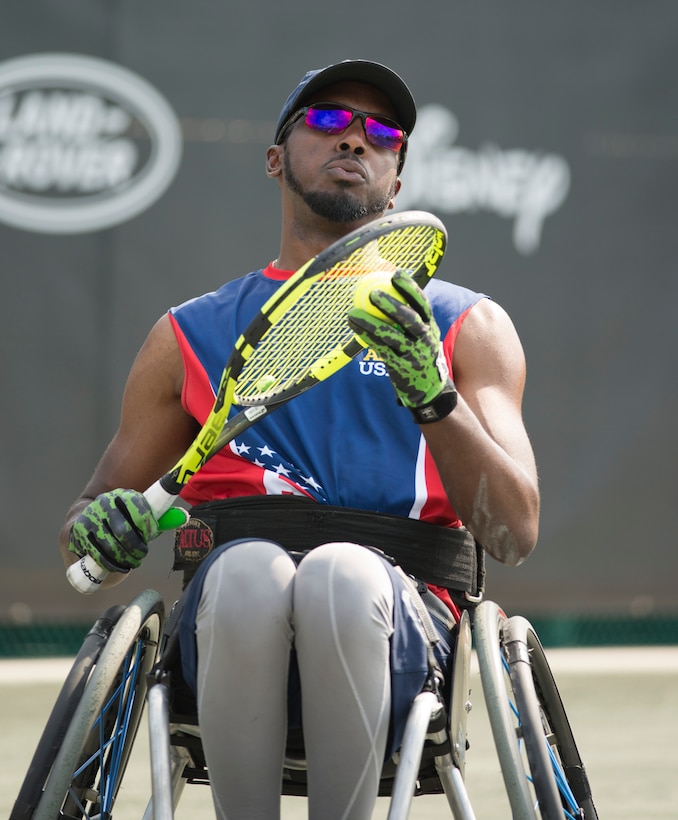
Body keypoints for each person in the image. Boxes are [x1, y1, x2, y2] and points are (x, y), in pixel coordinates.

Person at [60, 59, 539, 820]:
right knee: (248, 571)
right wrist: (100, 525)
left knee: (341, 574)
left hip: (406, 636)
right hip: (221, 633)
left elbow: (514, 533)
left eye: (381, 133)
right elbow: (87, 525)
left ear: (398, 181)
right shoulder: (188, 334)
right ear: (277, 158)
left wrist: (435, 396)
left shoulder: (464, 324)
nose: (355, 139)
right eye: (327, 121)